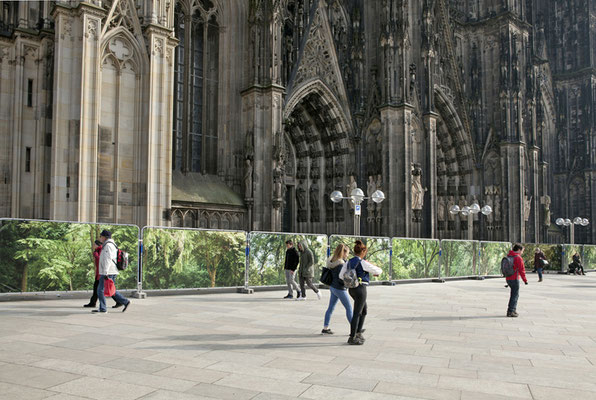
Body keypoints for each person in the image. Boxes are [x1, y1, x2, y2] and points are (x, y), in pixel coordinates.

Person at [339, 240, 382, 345]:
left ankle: (358, 333)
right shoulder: (362, 262)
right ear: (363, 251)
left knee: (364, 310)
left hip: (351, 289)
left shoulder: (349, 262)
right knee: (357, 313)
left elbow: (341, 275)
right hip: (361, 289)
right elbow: (379, 271)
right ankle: (352, 337)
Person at [95, 230, 131, 313]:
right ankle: (125, 302)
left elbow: (108, 259)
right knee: (110, 289)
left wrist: (105, 272)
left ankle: (103, 308)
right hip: (110, 271)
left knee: (100, 290)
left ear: (104, 237)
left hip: (108, 271)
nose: (100, 238)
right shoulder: (109, 245)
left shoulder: (108, 245)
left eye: (101, 236)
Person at [322, 244, 353, 334]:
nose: (347, 255)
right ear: (343, 252)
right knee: (349, 308)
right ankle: (355, 329)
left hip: (333, 287)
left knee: (331, 308)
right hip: (340, 288)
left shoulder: (332, 261)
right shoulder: (341, 264)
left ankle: (325, 328)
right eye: (347, 253)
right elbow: (342, 278)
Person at [83, 240, 121, 308]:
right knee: (100, 289)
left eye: (94, 244)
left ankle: (120, 301)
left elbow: (101, 261)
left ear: (97, 245)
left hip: (102, 273)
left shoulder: (101, 250)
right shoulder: (99, 250)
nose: (93, 246)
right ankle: (94, 303)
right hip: (100, 273)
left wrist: (95, 255)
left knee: (104, 289)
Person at [505, 244, 528, 318]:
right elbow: (522, 270)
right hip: (515, 278)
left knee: (513, 294)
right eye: (522, 251)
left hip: (508, 278)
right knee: (515, 295)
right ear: (518, 250)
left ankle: (512, 310)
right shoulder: (518, 257)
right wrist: (525, 280)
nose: (522, 253)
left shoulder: (509, 256)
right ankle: (511, 311)